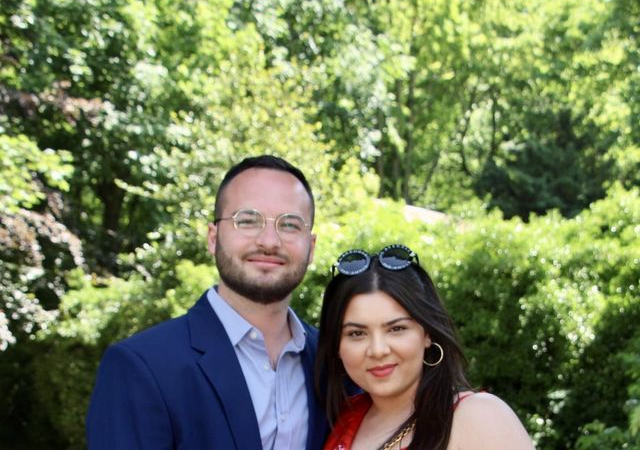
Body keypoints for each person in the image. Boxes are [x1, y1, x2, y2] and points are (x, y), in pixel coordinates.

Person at [87, 155, 328, 449]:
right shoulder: (140, 367)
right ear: (213, 238)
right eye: (247, 221)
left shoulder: (334, 362)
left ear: (311, 246)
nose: (269, 241)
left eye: (289, 225)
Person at [316, 244, 534, 450]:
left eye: (396, 329)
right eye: (357, 333)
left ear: (427, 333)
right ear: (337, 344)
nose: (378, 350)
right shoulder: (343, 420)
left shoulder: (478, 415)